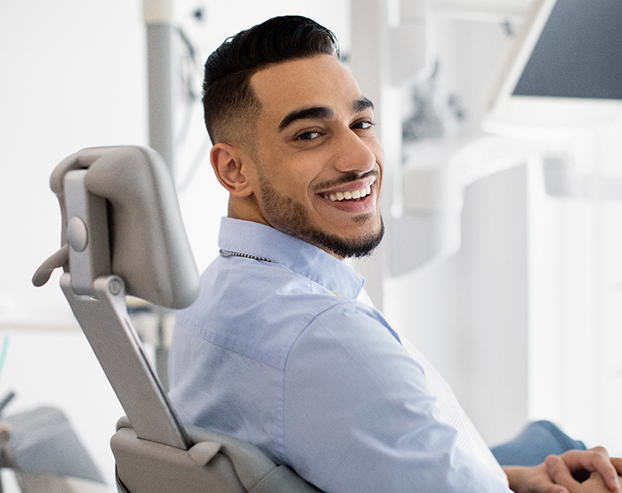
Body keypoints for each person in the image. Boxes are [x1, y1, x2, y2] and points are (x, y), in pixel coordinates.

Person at [168, 15, 621, 493]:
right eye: (309, 134)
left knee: (543, 444)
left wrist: (517, 479)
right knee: (572, 449)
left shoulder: (211, 294)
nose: (362, 159)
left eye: (361, 123)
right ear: (234, 169)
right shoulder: (326, 338)